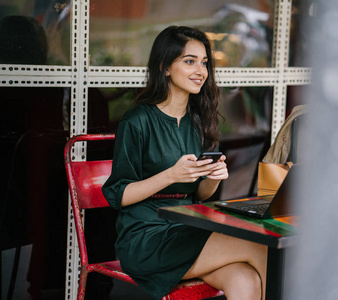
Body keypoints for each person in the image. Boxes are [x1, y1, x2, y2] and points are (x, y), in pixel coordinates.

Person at [102, 26, 268, 300]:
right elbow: (118, 195)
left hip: (189, 229)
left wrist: (214, 176)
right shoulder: (137, 121)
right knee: (260, 248)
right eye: (189, 61)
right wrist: (170, 174)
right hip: (146, 238)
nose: (200, 71)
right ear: (164, 67)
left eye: (204, 63)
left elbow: (200, 194)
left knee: (245, 278)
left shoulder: (200, 122)